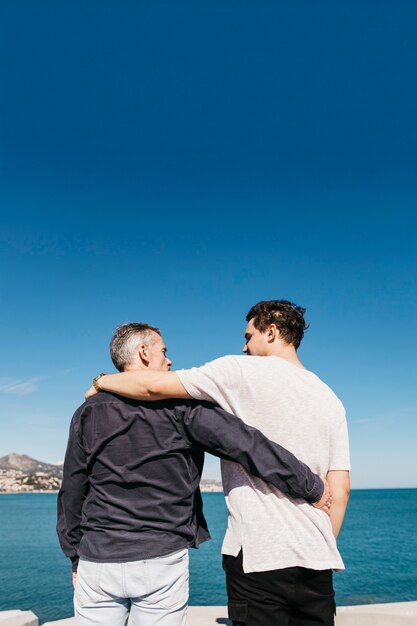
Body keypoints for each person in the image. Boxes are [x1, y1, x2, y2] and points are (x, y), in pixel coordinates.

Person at [85, 301, 350, 626]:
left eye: (248, 335)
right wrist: (318, 544)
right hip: (316, 556)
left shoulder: (239, 370)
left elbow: (153, 385)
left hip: (256, 555)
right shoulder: (330, 398)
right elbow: (340, 489)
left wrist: (101, 382)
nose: (244, 345)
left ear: (271, 332)